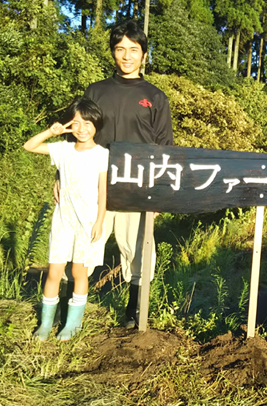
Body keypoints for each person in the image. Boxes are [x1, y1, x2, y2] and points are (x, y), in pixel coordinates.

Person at [55, 20, 174, 328]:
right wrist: (61, 177)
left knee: (137, 252)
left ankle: (133, 314)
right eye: (120, 49)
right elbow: (77, 134)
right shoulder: (96, 91)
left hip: (138, 186)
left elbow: (164, 148)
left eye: (134, 50)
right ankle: (70, 316)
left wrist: (160, 191)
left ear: (144, 55)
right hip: (94, 185)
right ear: (112, 52)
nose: (127, 55)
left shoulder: (156, 97)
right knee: (82, 248)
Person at [25, 98, 109, 341]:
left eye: (88, 123)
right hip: (63, 221)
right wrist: (52, 131)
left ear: (97, 125)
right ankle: (45, 323)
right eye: (76, 123)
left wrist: (99, 221)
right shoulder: (62, 149)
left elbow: (103, 192)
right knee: (54, 272)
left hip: (87, 222)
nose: (82, 128)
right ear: (69, 124)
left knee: (79, 272)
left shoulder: (101, 154)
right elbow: (29, 146)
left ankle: (73, 324)